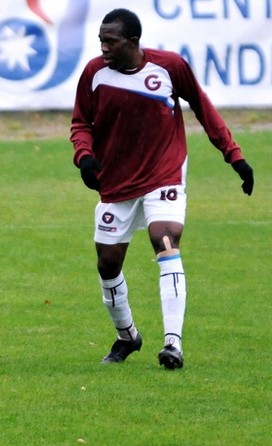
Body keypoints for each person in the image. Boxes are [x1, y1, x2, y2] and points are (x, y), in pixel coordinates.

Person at [70, 9, 254, 370]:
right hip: (117, 180)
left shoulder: (169, 67)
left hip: (163, 173)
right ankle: (128, 336)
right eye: (101, 40)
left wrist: (235, 157)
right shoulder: (94, 73)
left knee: (165, 241)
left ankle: (173, 344)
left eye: (111, 41)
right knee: (108, 263)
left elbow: (204, 109)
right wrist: (85, 157)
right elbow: (81, 123)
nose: (103, 47)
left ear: (133, 42)